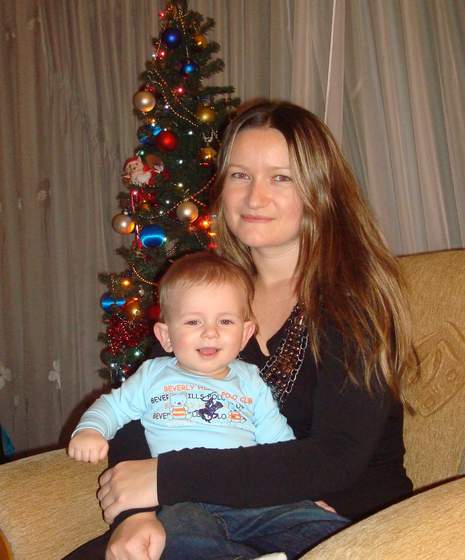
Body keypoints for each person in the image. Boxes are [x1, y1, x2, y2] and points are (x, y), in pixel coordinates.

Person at [66, 100, 413, 560]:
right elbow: (140, 405)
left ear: (320, 190)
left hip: (341, 523)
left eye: (281, 178)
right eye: (240, 175)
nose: (255, 197)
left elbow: (336, 456)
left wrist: (166, 478)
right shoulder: (211, 293)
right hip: (205, 515)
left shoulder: (355, 300)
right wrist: (137, 514)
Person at [68, 251, 347, 560]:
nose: (210, 332)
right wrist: (91, 430)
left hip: (253, 496)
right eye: (193, 321)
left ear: (245, 334)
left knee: (318, 526)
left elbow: (279, 443)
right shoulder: (153, 375)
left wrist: (306, 494)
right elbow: (112, 407)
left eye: (225, 321)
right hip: (182, 502)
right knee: (179, 540)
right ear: (166, 336)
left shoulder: (250, 380)